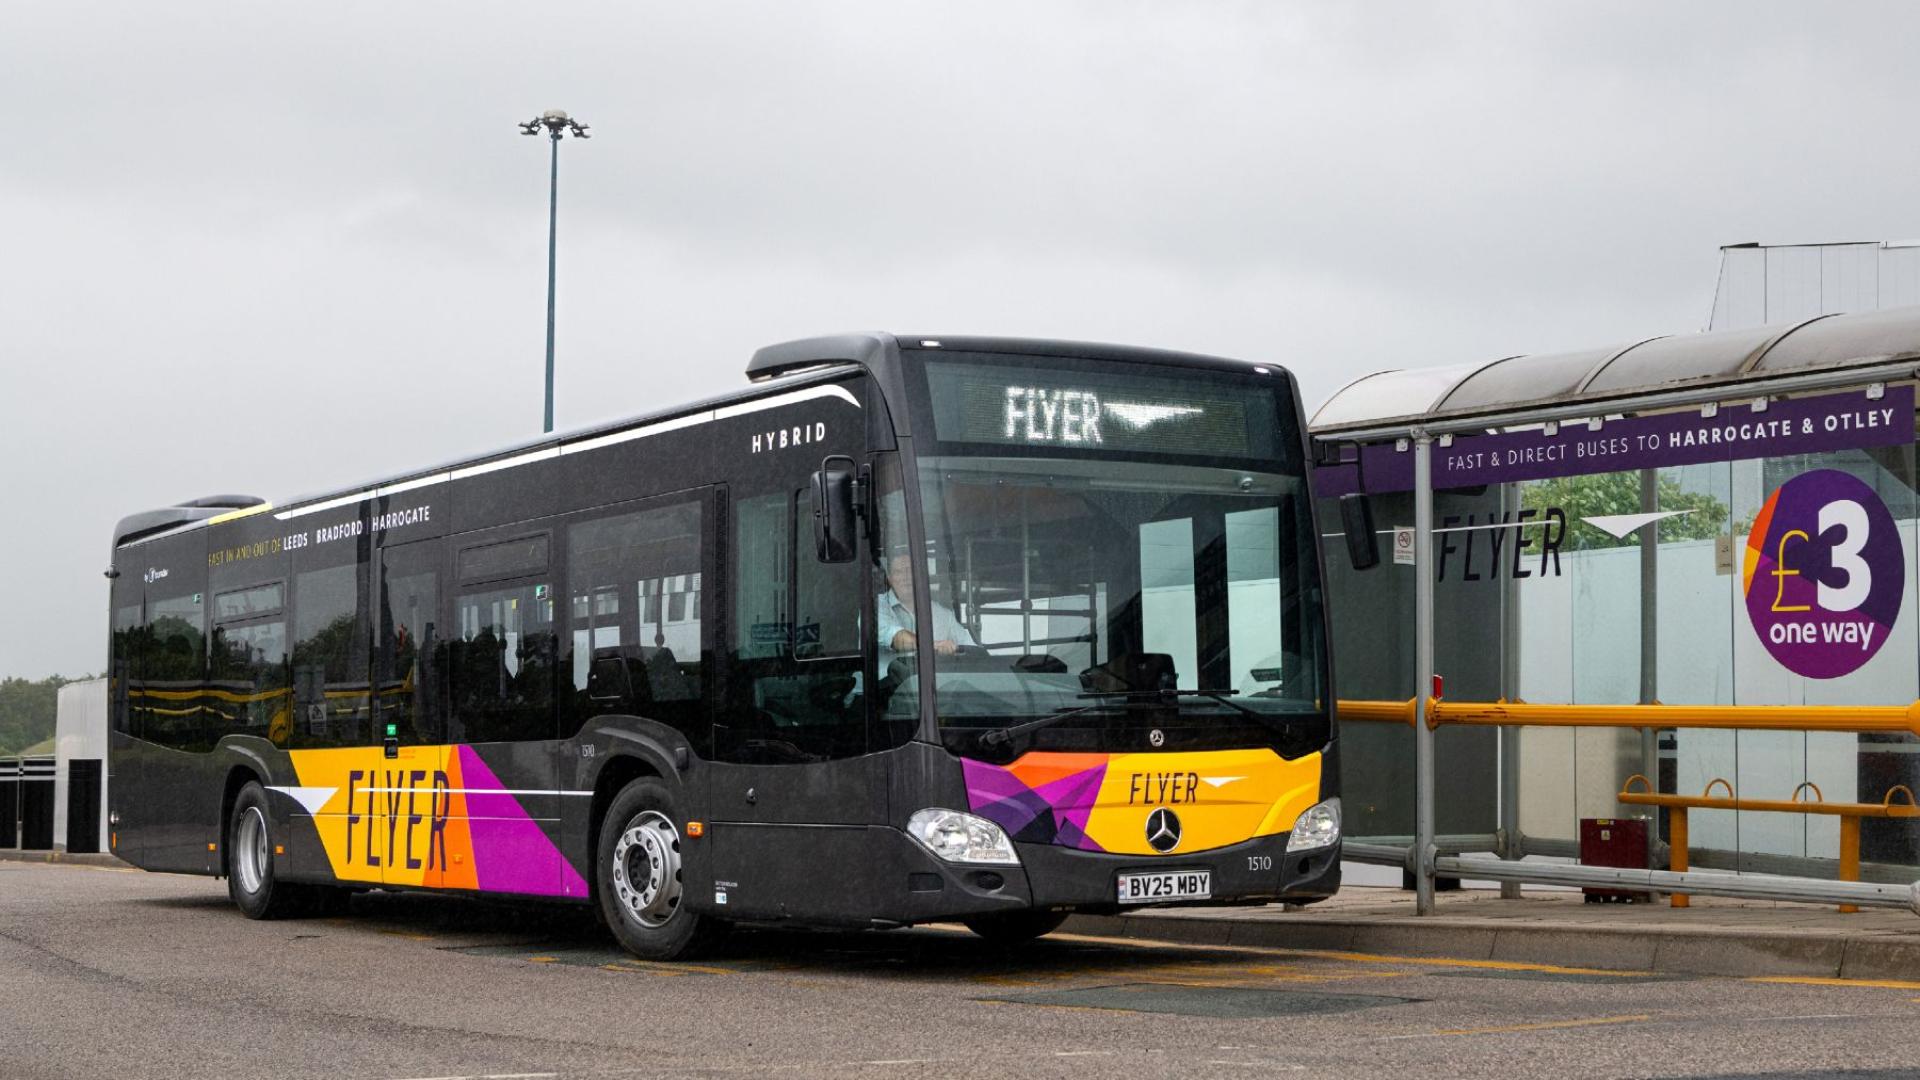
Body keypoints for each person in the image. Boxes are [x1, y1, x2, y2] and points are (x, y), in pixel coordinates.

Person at [876, 551, 974, 668]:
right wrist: (933, 646)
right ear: (889, 579)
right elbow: (896, 638)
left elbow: (970, 648)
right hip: (886, 684)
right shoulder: (876, 606)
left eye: (910, 571)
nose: (905, 577)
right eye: (898, 572)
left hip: (932, 684)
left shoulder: (943, 615)